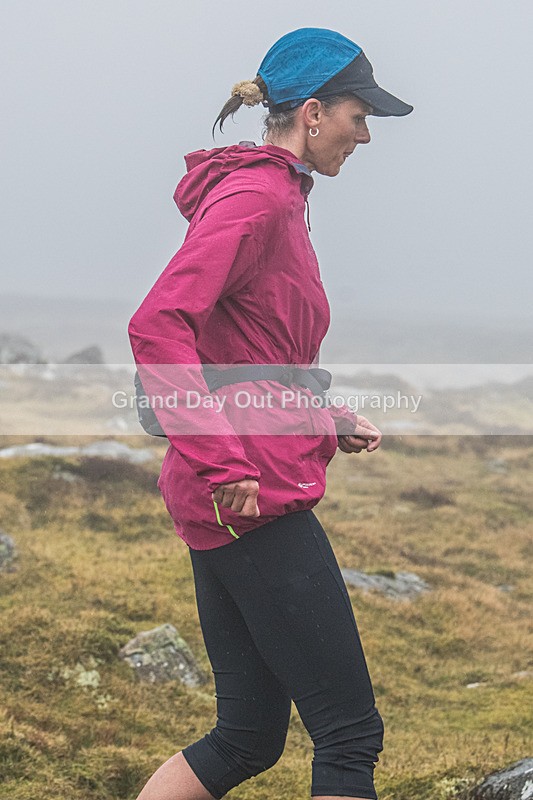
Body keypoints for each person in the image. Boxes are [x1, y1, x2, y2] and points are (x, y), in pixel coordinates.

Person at [128, 27, 413, 800]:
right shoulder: (257, 196)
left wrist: (328, 417)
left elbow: (253, 351)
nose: (364, 134)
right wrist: (221, 461)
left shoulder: (278, 193)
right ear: (313, 112)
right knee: (349, 736)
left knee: (246, 736)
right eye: (359, 116)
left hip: (239, 486)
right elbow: (158, 324)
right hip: (249, 492)